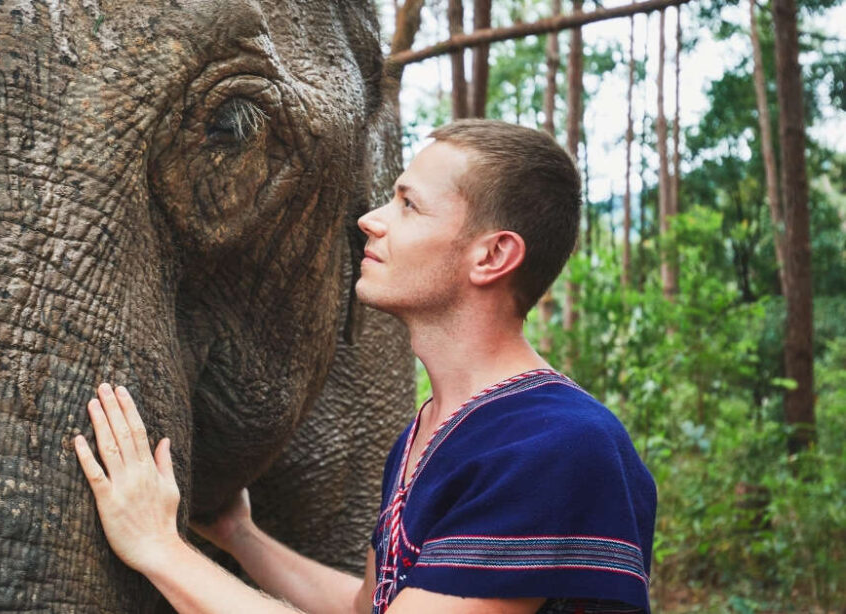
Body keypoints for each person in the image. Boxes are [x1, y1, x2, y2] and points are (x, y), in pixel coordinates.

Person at [70, 119, 657, 614]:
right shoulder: (430, 433)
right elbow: (366, 607)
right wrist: (239, 536)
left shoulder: (556, 446)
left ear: (493, 255)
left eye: (408, 205)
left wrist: (158, 547)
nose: (371, 220)